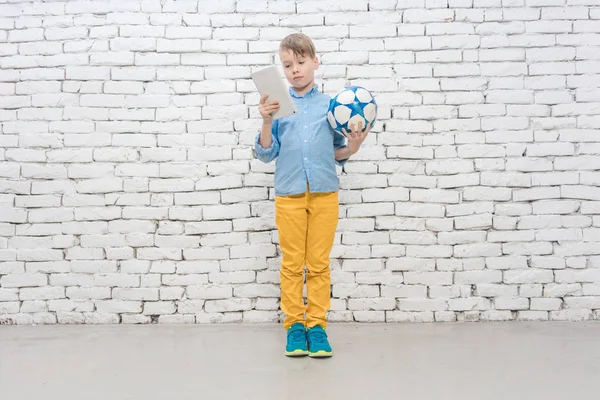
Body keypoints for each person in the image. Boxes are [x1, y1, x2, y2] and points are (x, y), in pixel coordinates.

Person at [254, 33, 369, 358]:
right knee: (292, 264)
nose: (295, 70)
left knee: (318, 265)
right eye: (288, 65)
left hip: (324, 195)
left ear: (315, 63)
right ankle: (295, 326)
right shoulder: (277, 107)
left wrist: (354, 147)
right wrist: (265, 121)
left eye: (301, 62)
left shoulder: (331, 107)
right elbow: (266, 154)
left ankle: (316, 327)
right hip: (289, 195)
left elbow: (337, 152)